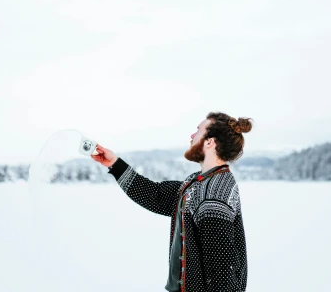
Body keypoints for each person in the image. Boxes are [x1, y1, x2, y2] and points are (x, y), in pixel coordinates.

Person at [92, 112, 251, 292]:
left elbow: (222, 270)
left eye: (198, 131)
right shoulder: (198, 183)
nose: (192, 136)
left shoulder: (214, 192)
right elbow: (155, 195)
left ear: (209, 142)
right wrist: (115, 164)